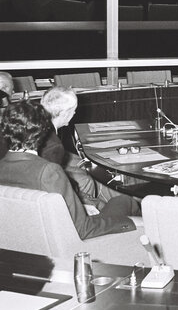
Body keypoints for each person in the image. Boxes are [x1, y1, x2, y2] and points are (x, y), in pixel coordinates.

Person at [0, 101, 138, 240]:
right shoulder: (48, 171)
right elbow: (83, 229)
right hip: (79, 243)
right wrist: (132, 223)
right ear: (42, 132)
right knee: (125, 201)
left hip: (31, 238)